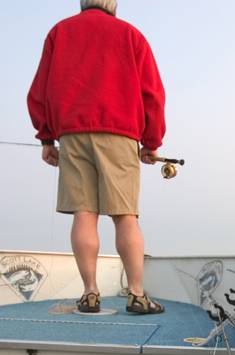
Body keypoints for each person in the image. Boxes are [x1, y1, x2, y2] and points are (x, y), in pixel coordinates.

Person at [27, 0, 166, 314]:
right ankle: (137, 295)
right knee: (125, 216)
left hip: (72, 133)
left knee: (83, 214)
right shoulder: (131, 34)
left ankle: (90, 294)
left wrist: (46, 136)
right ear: (113, 4)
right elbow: (153, 93)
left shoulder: (58, 32)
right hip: (120, 132)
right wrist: (151, 141)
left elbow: (40, 91)